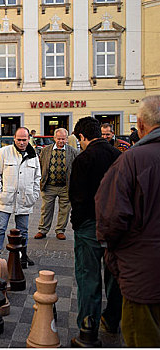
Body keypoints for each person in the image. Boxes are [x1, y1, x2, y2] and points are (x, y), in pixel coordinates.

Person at [95, 95, 160, 347]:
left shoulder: (132, 160)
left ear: (140, 125)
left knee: (142, 338)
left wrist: (113, 255)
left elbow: (111, 218)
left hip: (143, 275)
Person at [68, 116, 122, 334]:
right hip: (116, 225)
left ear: (82, 136)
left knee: (88, 275)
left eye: (79, 139)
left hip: (89, 225)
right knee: (114, 275)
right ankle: (111, 319)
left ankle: (88, 323)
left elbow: (77, 197)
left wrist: (77, 224)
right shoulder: (119, 156)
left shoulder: (83, 159)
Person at [0, 127, 41, 269]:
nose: (22, 142)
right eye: (19, 139)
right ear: (14, 139)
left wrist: (34, 195)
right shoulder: (3, 152)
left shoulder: (33, 155)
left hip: (25, 198)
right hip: (6, 197)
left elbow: (37, 177)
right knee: (0, 227)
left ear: (29, 139)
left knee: (23, 230)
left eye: (24, 139)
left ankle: (22, 255)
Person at [34, 128, 78, 241]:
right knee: (46, 209)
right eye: (59, 139)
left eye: (63, 139)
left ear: (67, 139)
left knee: (64, 210)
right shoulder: (46, 151)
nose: (61, 141)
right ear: (54, 138)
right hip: (49, 185)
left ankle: (60, 230)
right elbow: (40, 165)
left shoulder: (73, 152)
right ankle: (43, 230)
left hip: (65, 186)